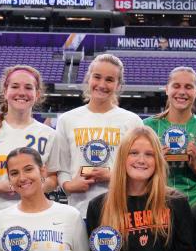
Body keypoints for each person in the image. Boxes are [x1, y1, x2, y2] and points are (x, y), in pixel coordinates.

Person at [86, 126, 196, 251]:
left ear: (157, 160)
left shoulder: (177, 202)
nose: (141, 160)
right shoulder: (98, 206)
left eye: (149, 154)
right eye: (134, 153)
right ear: (123, 157)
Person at [56, 53, 141, 216]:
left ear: (118, 85)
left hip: (120, 210)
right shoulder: (67, 120)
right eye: (97, 77)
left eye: (109, 80)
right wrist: (67, 185)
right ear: (88, 78)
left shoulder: (132, 121)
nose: (102, 84)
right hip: (78, 210)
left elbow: (138, 168)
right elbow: (62, 166)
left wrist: (111, 175)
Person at [0, 65, 60, 217]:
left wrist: (31, 187)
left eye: (28, 87)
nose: (21, 92)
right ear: (5, 91)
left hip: (36, 215)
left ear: (37, 94)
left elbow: (53, 179)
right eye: (15, 86)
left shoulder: (49, 135)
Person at [0, 147, 90, 251]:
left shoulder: (71, 216)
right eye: (14, 173)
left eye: (28, 169)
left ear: (43, 171)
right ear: (9, 179)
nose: (22, 178)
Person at [143, 66, 196, 206]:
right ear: (167, 89)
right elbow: (137, 176)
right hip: (157, 205)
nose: (182, 92)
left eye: (189, 87)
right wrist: (157, 162)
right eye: (176, 86)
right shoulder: (148, 126)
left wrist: (195, 166)